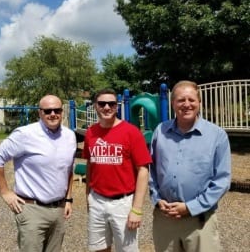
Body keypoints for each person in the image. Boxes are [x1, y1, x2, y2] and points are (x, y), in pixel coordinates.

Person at [0, 94, 77, 252]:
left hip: (59, 210)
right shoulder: (25, 134)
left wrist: (68, 199)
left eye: (57, 110)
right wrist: (5, 192)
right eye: (48, 111)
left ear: (63, 112)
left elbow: (69, 169)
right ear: (40, 112)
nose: (53, 114)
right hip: (32, 210)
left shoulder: (69, 136)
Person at [149, 80, 231, 252]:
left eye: (191, 100)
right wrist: (157, 200)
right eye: (180, 100)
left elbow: (222, 180)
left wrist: (190, 207)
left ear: (199, 103)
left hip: (199, 220)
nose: (186, 104)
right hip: (165, 220)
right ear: (173, 104)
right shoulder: (160, 131)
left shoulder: (217, 136)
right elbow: (151, 171)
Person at [83, 88, 152, 252]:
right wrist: (88, 196)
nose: (107, 107)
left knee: (127, 249)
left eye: (111, 104)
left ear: (117, 106)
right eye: (102, 103)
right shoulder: (91, 132)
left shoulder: (131, 132)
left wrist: (137, 208)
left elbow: (143, 169)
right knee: (98, 248)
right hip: (97, 199)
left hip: (123, 202)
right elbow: (90, 165)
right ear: (95, 106)